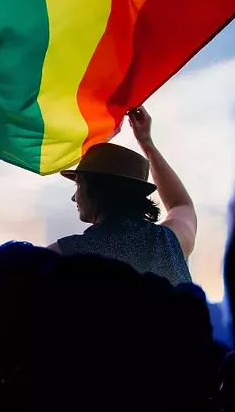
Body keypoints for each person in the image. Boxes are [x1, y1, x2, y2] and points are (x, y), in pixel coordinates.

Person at [49, 107, 195, 286]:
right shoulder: (169, 242)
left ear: (98, 191)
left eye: (78, 184)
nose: (74, 197)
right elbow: (181, 206)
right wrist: (146, 143)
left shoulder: (64, 256)